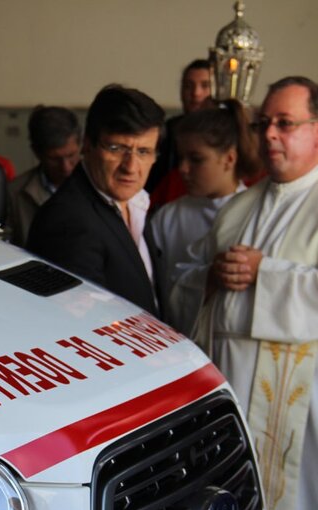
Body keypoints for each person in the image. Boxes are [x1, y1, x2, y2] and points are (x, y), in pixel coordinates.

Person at [171, 76, 318, 510]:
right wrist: (208, 278)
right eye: (264, 124)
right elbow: (184, 285)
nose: (271, 134)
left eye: (286, 123)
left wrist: (267, 274)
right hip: (232, 408)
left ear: (316, 129)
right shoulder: (237, 209)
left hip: (301, 416)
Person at [27, 84, 164, 317]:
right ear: (87, 146)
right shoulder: (67, 221)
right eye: (117, 148)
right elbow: (84, 328)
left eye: (143, 152)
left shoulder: (135, 201)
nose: (131, 167)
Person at [151, 98, 261, 334]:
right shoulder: (168, 216)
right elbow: (158, 289)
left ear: (229, 159)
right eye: (181, 158)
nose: (183, 169)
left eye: (196, 159)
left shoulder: (255, 212)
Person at [6, 105, 81, 246]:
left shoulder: (98, 186)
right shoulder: (15, 194)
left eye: (71, 155)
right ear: (36, 153)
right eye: (54, 159)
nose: (65, 167)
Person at [146, 59, 212, 201]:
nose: (196, 93)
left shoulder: (225, 134)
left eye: (205, 86)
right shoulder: (167, 130)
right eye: (188, 86)